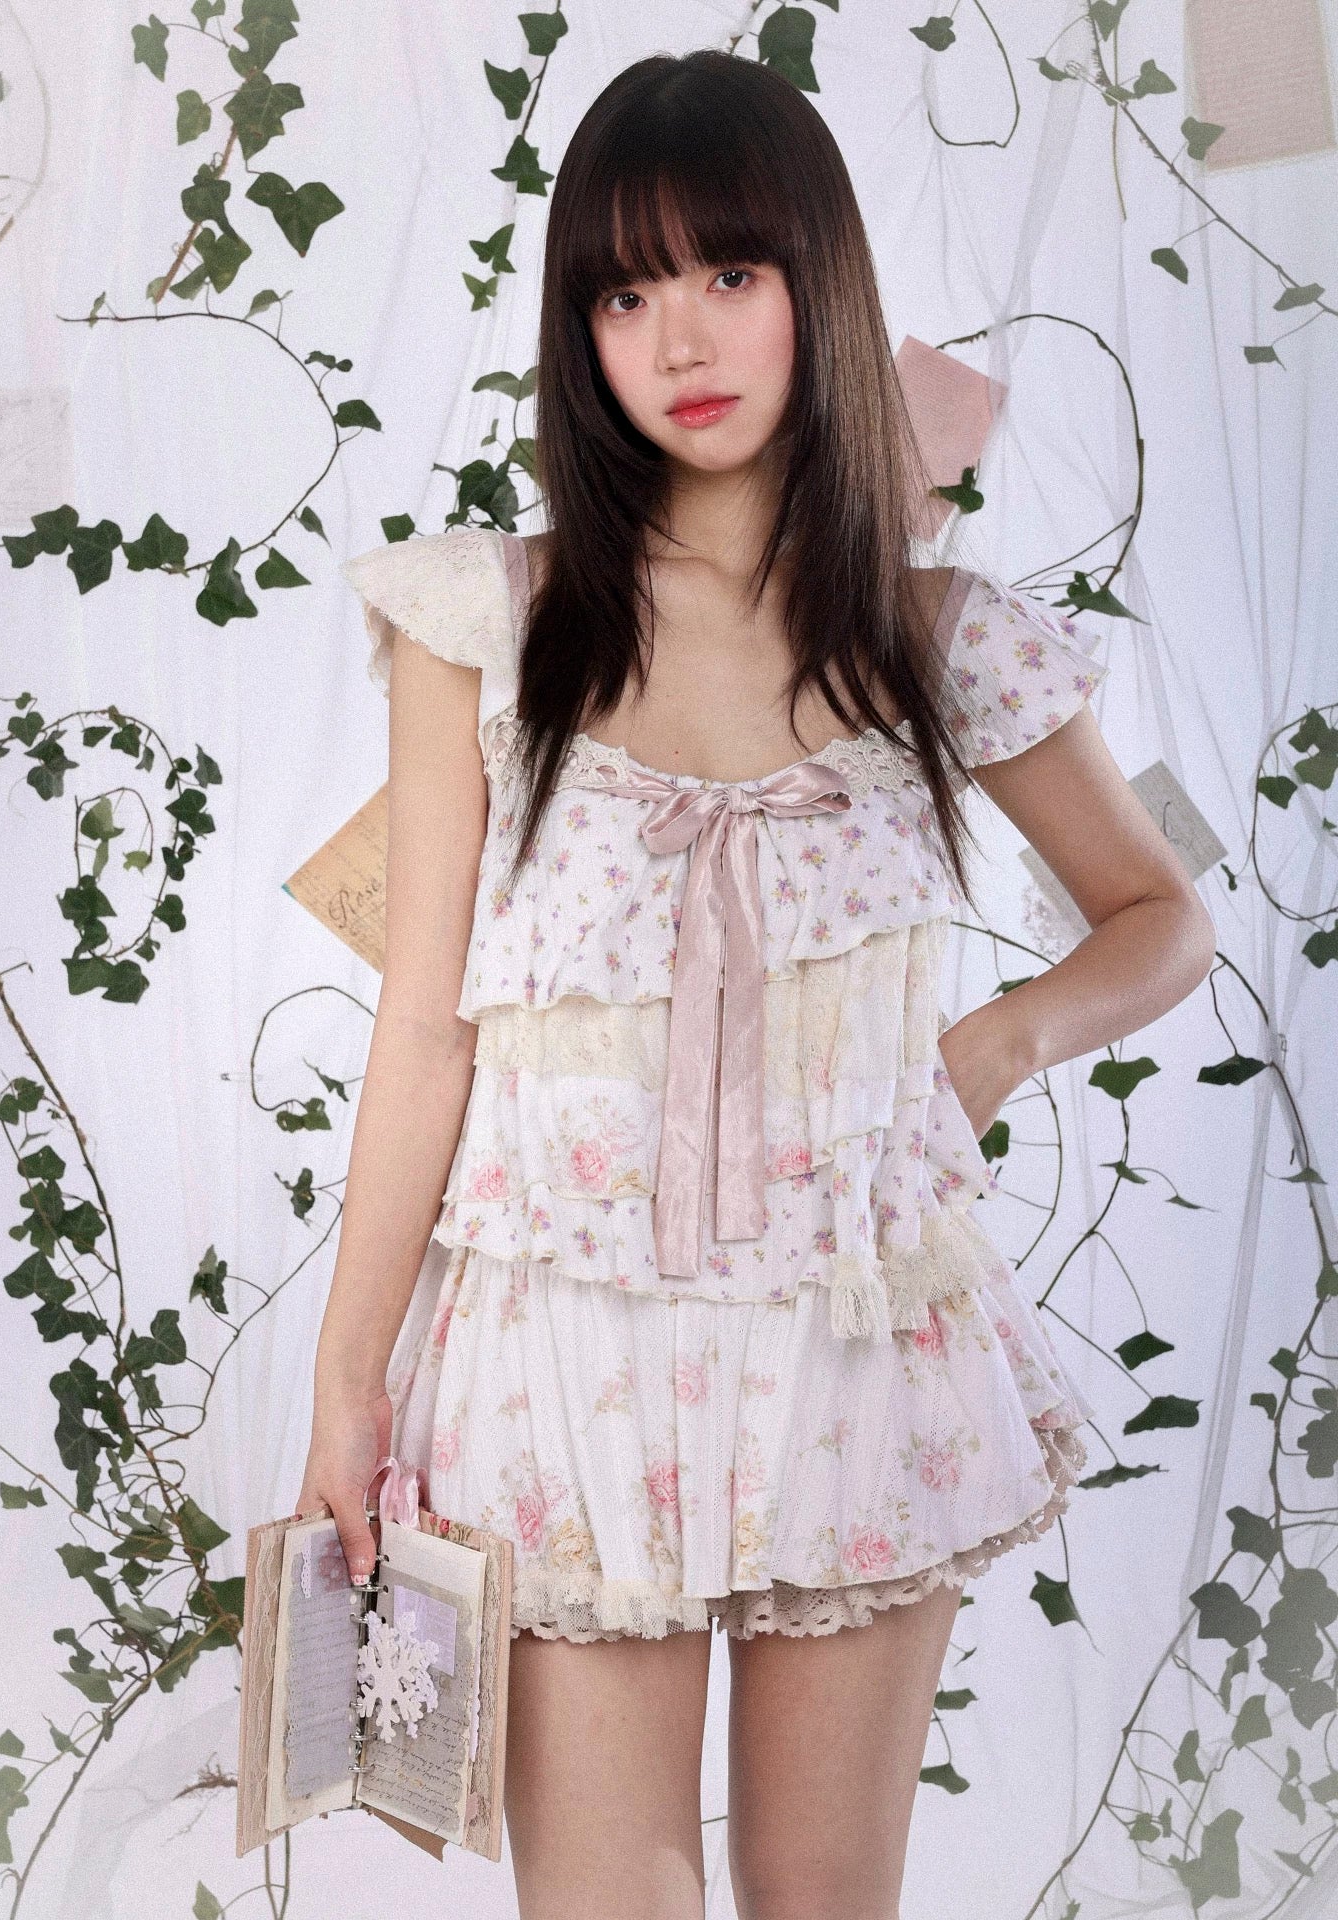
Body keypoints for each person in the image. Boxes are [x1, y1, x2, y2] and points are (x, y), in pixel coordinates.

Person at [294, 47, 1214, 1920]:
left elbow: (1159, 914)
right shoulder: (487, 625)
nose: (682, 339)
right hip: (562, 1354)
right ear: (580, 336)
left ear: (819, 282)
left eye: (730, 273)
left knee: (821, 1900)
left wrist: (995, 1045)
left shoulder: (934, 637)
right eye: (625, 294)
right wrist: (346, 1379)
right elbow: (425, 1031)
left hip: (861, 1338)